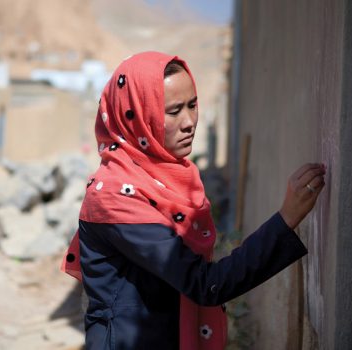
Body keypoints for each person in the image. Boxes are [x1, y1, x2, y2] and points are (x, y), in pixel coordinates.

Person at [62, 51, 326, 350]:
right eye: (174, 111)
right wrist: (285, 219)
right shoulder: (115, 197)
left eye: (192, 105)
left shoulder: (165, 181)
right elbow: (204, 284)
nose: (189, 122)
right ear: (136, 116)